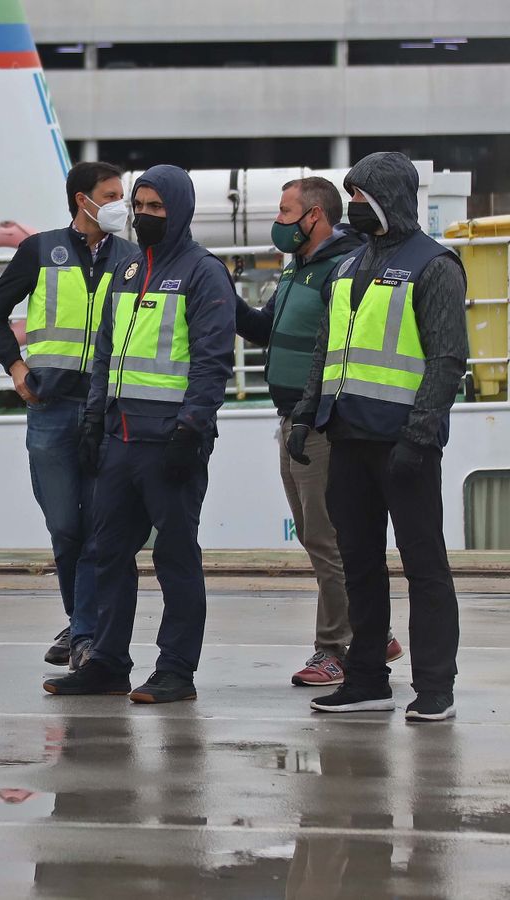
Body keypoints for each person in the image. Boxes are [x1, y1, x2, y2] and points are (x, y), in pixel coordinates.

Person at [44, 164, 236, 703]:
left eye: (157, 208)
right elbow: (106, 354)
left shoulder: (203, 273)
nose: (145, 216)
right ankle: (106, 661)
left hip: (170, 445)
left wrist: (191, 430)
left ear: (179, 211)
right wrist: (93, 422)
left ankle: (176, 669)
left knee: (175, 559)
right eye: (140, 206)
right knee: (106, 554)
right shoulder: (128, 272)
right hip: (119, 442)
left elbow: (211, 362)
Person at [294, 152, 467, 723]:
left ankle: (435, 686)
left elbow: (446, 359)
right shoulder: (347, 266)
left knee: (424, 566)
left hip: (403, 446)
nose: (353, 208)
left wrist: (417, 440)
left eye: (361, 196)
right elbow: (326, 351)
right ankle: (367, 677)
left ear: (389, 198)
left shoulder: (434, 265)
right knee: (360, 563)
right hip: (346, 440)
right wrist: (304, 416)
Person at [235, 178, 405, 687]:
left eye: (286, 211)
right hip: (291, 419)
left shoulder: (340, 269)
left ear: (315, 216)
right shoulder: (298, 269)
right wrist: (229, 300)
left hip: (319, 425)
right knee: (315, 537)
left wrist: (314, 413)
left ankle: (333, 649)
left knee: (327, 540)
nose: (279, 221)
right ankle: (376, 633)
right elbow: (267, 330)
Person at [0, 161, 139, 670]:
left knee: (97, 527)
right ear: (81, 200)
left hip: (108, 409)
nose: (121, 204)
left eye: (122, 194)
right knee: (66, 527)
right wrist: (17, 369)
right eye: (110, 194)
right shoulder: (41, 250)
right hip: (50, 407)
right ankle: (80, 623)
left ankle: (87, 634)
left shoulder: (133, 258)